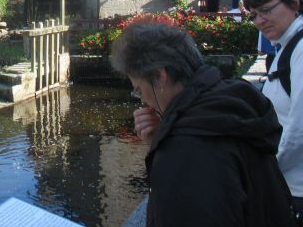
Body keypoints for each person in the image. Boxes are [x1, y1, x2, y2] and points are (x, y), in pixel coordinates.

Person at [112, 20, 296, 226]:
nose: (143, 100)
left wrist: (170, 145)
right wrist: (162, 137)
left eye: (138, 89)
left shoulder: (187, 149)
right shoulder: (232, 104)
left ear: (159, 76)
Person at [244, 0, 303, 222]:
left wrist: (268, 170)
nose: (259, 20)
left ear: (294, 3)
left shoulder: (300, 49)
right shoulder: (287, 46)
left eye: (266, 10)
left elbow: (299, 128)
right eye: (254, 15)